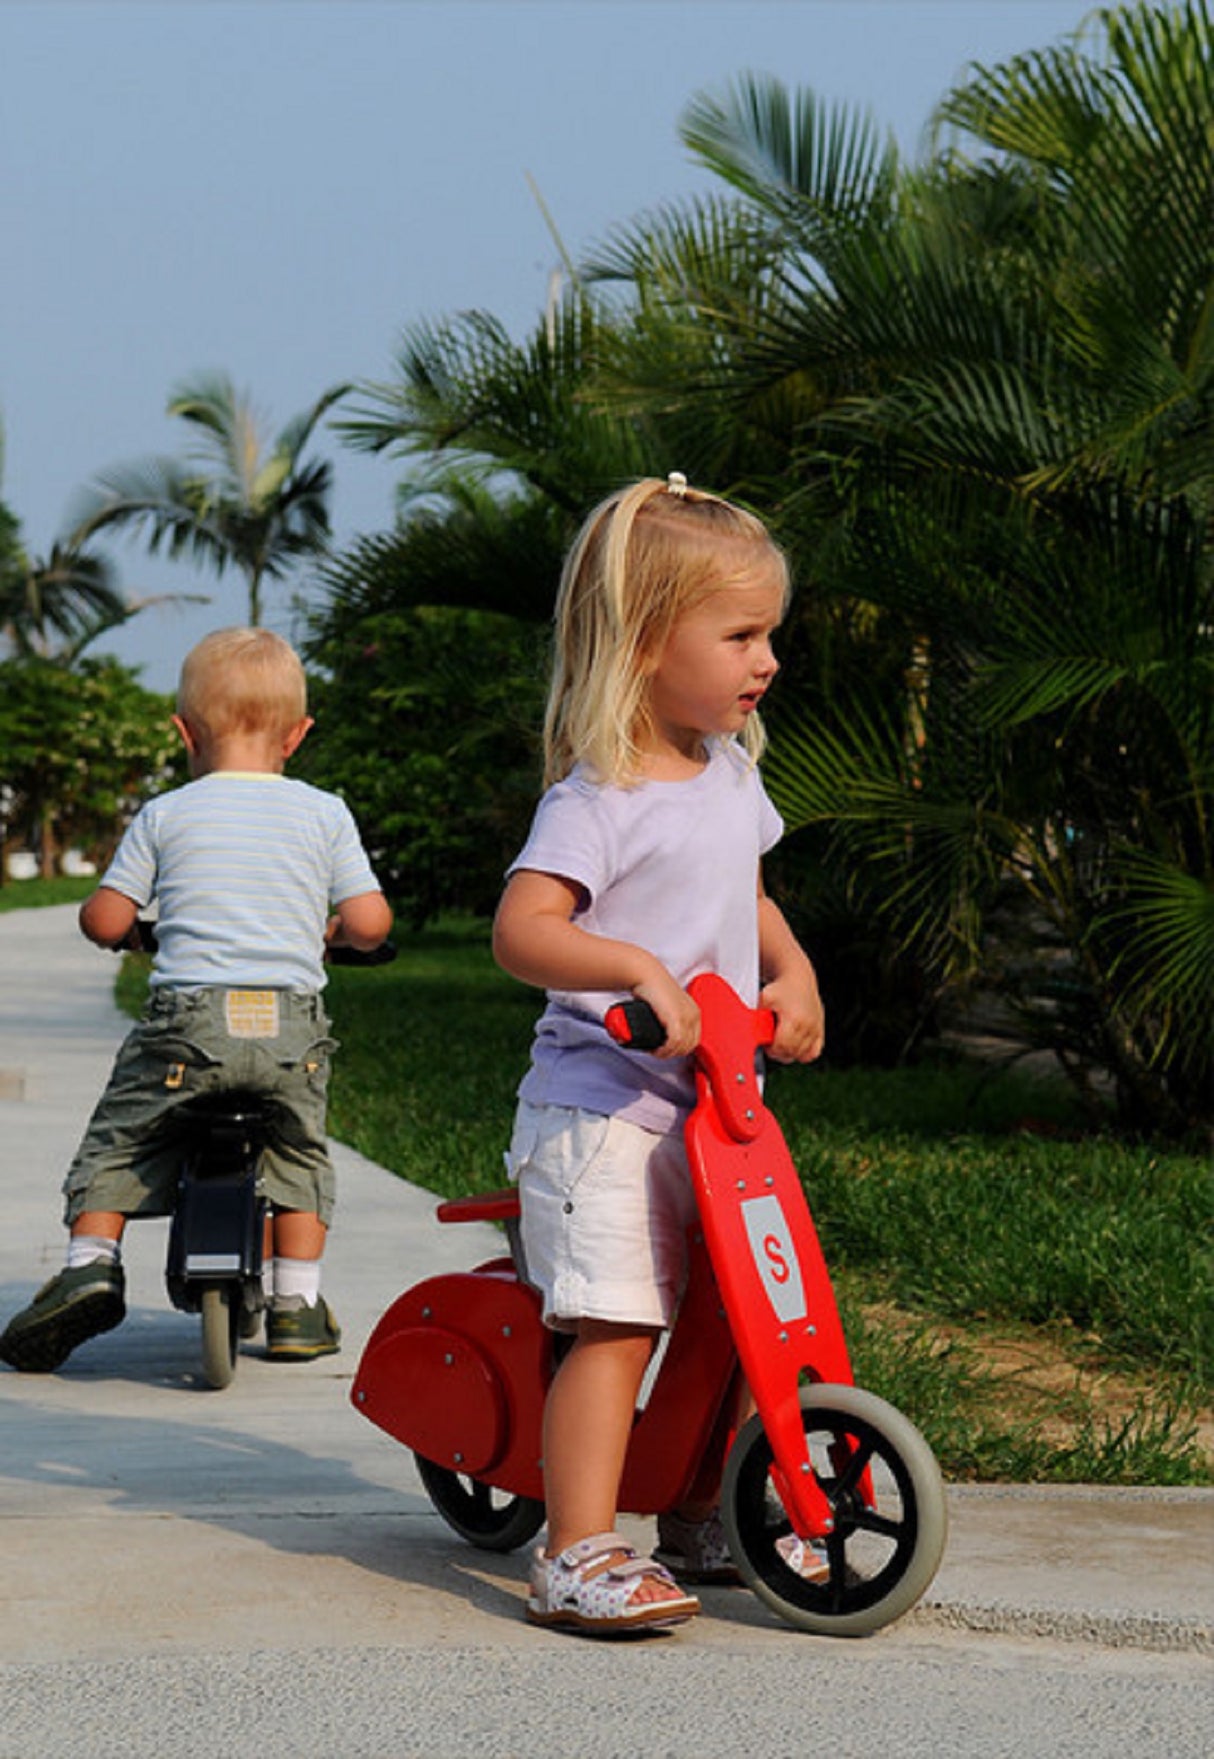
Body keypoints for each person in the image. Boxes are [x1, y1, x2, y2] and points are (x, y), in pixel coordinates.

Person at [492, 473, 825, 1635]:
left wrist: (791, 971)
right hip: (605, 1110)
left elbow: (744, 885)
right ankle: (576, 1547)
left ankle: (697, 1510)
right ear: (639, 642)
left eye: (767, 633)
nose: (765, 659)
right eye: (739, 634)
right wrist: (632, 965)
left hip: (718, 1111)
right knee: (620, 1319)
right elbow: (523, 930)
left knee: (743, 1318)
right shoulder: (603, 794)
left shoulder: (731, 771)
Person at [0, 627, 392, 1374]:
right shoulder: (324, 811)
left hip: (189, 1026)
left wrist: (120, 930)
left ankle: (90, 1259)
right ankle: (295, 1304)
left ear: (183, 733)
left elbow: (107, 920)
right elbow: (372, 922)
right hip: (288, 1030)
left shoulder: (166, 814)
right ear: (299, 735)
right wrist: (342, 932)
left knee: (123, 1134)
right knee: (300, 1150)